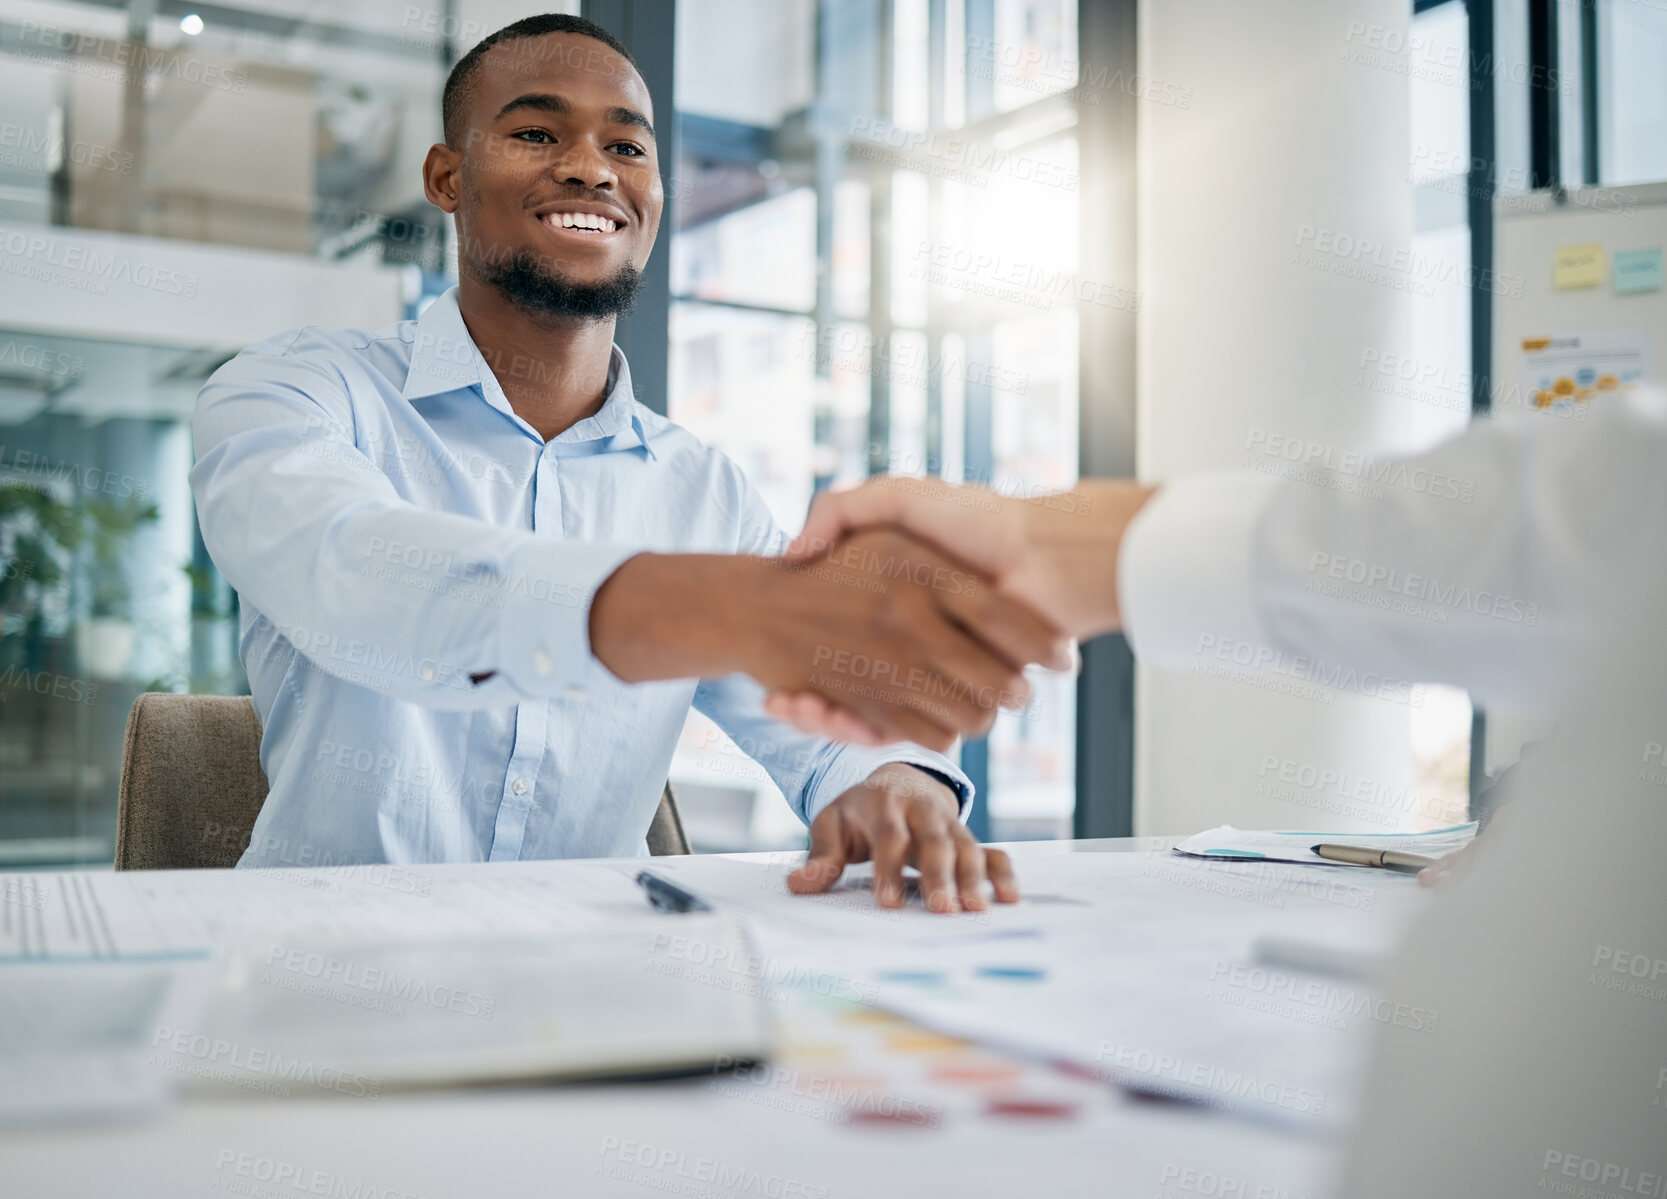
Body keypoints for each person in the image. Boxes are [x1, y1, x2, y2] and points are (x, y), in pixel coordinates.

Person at [191, 14, 1069, 913]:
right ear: (446, 178)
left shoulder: (703, 488)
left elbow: (811, 708)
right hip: (325, 978)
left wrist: (892, 778)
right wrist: (725, 603)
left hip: (599, 982)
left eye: (626, 145)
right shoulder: (295, 393)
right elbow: (358, 576)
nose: (589, 167)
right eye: (537, 133)